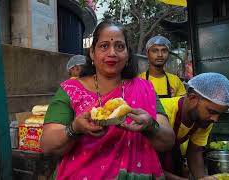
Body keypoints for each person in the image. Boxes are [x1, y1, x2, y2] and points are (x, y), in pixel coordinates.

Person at [41, 20, 175, 179]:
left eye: (119, 46)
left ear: (127, 54)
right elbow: (47, 146)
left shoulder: (145, 88)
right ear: (92, 52)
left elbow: (167, 141)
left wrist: (150, 126)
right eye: (104, 46)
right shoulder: (71, 90)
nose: (112, 53)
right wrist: (74, 129)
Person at [159, 72, 229, 180]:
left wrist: (202, 178)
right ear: (192, 98)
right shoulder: (162, 113)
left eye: (219, 114)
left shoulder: (204, 120)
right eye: (212, 111)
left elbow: (195, 152)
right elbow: (145, 165)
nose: (215, 119)